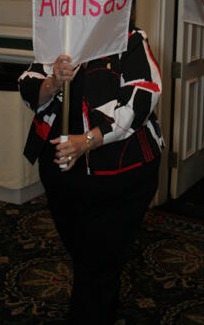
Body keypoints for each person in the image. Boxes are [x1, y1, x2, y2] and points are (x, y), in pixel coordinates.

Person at [18, 19, 164, 325]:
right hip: (62, 173)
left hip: (122, 175)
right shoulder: (58, 39)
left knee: (100, 262)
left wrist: (87, 140)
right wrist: (53, 82)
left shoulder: (129, 39)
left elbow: (143, 96)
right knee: (86, 257)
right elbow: (28, 82)